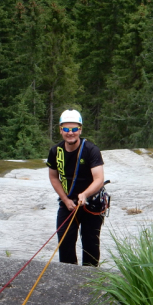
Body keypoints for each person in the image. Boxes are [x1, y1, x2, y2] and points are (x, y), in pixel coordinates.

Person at [46, 109, 105, 266]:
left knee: (90, 244)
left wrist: (85, 194)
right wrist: (65, 200)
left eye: (73, 129)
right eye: (66, 129)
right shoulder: (55, 151)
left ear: (80, 129)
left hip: (91, 203)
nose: (70, 133)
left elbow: (99, 179)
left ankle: (90, 280)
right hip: (68, 203)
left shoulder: (91, 150)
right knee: (64, 242)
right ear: (60, 130)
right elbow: (53, 177)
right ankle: (68, 278)